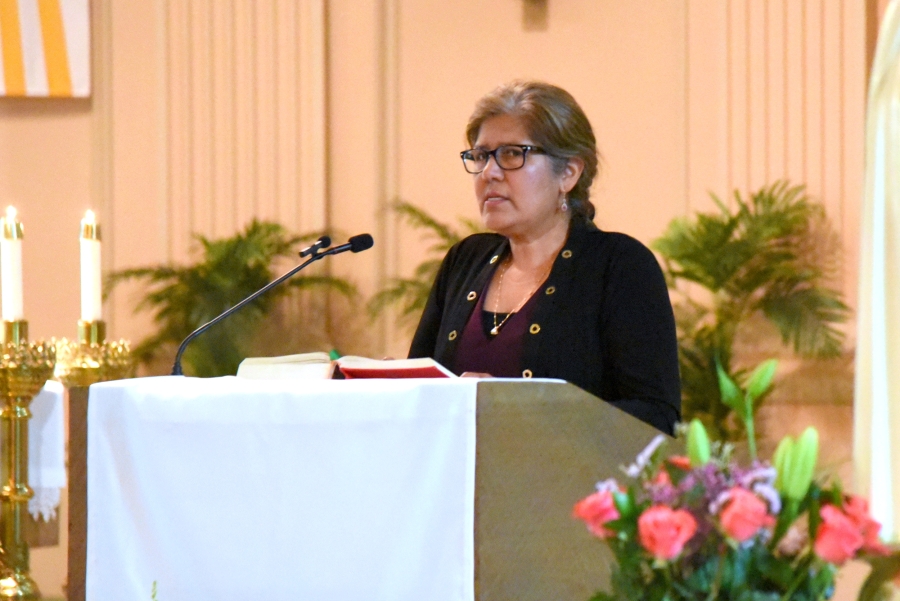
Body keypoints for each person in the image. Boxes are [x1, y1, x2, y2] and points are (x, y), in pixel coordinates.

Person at [408, 81, 680, 434]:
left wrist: (518, 409)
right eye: (480, 156)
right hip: (455, 486)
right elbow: (419, 387)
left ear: (568, 172)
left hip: (569, 487)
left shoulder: (619, 267)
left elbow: (656, 416)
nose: (489, 172)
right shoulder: (465, 260)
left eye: (511, 154)